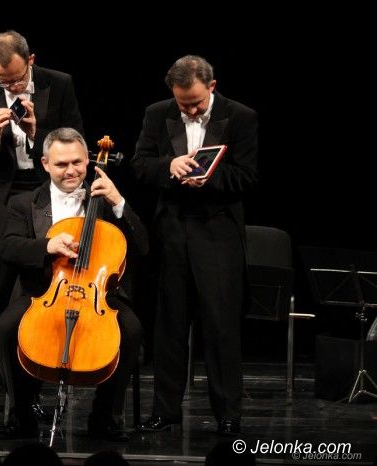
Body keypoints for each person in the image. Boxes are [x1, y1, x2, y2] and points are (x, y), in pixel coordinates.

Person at [0, 30, 84, 424]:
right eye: (3, 80)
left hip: (49, 195)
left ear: (30, 61)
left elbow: (76, 142)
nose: (10, 86)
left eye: (16, 78)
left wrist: (35, 133)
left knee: (49, 291)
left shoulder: (59, 84)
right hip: (3, 200)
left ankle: (34, 391)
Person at [0, 128, 148, 441]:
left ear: (88, 161)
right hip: (44, 291)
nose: (71, 171)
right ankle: (21, 416)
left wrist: (119, 202)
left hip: (98, 293)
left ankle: (105, 417)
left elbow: (142, 246)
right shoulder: (24, 203)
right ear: (45, 164)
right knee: (6, 328)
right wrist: (47, 245)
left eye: (77, 162)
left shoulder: (105, 199)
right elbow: (7, 247)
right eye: (61, 164)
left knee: (131, 330)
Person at [130, 55, 258, 435]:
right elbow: (140, 165)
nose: (190, 110)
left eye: (197, 103)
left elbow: (247, 176)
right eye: (183, 103)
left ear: (212, 86)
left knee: (220, 327)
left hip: (217, 232)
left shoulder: (241, 117)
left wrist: (209, 177)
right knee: (169, 326)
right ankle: (165, 411)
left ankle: (228, 414)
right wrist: (169, 166)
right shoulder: (157, 113)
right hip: (172, 230)